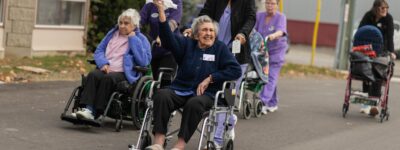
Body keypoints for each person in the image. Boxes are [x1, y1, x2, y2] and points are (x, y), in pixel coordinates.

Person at [145, 1, 242, 150]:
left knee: (194, 103)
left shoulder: (220, 49)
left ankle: (179, 145)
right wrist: (162, 13)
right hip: (181, 88)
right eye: (204, 30)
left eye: (211, 30)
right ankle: (158, 142)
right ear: (196, 35)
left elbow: (236, 70)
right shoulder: (186, 45)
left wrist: (211, 78)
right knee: (162, 95)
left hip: (206, 94)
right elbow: (168, 40)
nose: (208, 33)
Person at [74, 9, 152, 120]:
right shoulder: (112, 34)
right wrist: (103, 63)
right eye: (120, 23)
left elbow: (144, 61)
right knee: (93, 75)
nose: (122, 26)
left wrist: (133, 39)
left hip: (123, 73)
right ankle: (87, 109)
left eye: (126, 23)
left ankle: (96, 111)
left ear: (134, 25)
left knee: (108, 79)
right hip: (107, 68)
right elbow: (99, 50)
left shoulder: (141, 39)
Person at [358, 0, 396, 116]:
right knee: (365, 72)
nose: (385, 10)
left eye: (387, 8)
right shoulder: (368, 16)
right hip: (367, 49)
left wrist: (391, 52)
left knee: (378, 72)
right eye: (383, 8)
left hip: (381, 50)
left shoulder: (388, 19)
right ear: (376, 8)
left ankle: (374, 105)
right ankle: (365, 104)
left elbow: (390, 37)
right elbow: (360, 32)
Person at [255, 0, 288, 115]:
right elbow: (253, 30)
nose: (269, 6)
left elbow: (281, 31)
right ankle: (273, 102)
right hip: (262, 51)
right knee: (267, 76)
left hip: (276, 51)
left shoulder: (281, 17)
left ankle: (263, 101)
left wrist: (273, 35)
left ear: (277, 5)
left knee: (271, 77)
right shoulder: (259, 15)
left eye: (272, 3)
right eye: (267, 3)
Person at [140, 0, 182, 84]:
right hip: (154, 48)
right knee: (151, 79)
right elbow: (139, 20)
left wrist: (163, 34)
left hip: (169, 49)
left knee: (164, 81)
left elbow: (173, 22)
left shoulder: (176, 2)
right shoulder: (150, 3)